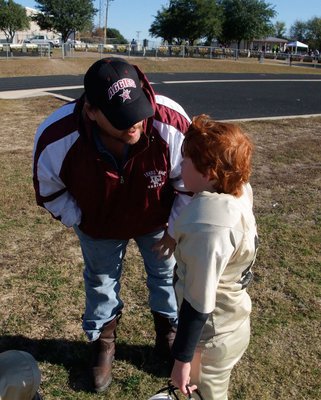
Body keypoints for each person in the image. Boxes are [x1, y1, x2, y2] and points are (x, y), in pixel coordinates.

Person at [32, 57, 191, 393]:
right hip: (99, 224)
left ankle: (168, 331)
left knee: (165, 275)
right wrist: (81, 218)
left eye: (137, 111)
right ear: (90, 111)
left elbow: (187, 182)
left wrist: (175, 229)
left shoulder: (171, 121)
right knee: (101, 281)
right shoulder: (57, 136)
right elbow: (49, 191)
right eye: (120, 119)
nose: (133, 124)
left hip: (157, 221)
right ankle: (103, 341)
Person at [170, 115, 258, 400]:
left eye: (185, 160)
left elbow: (198, 301)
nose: (179, 165)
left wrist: (182, 360)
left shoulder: (209, 224)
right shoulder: (239, 190)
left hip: (210, 339)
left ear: (208, 172)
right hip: (233, 323)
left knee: (206, 395)